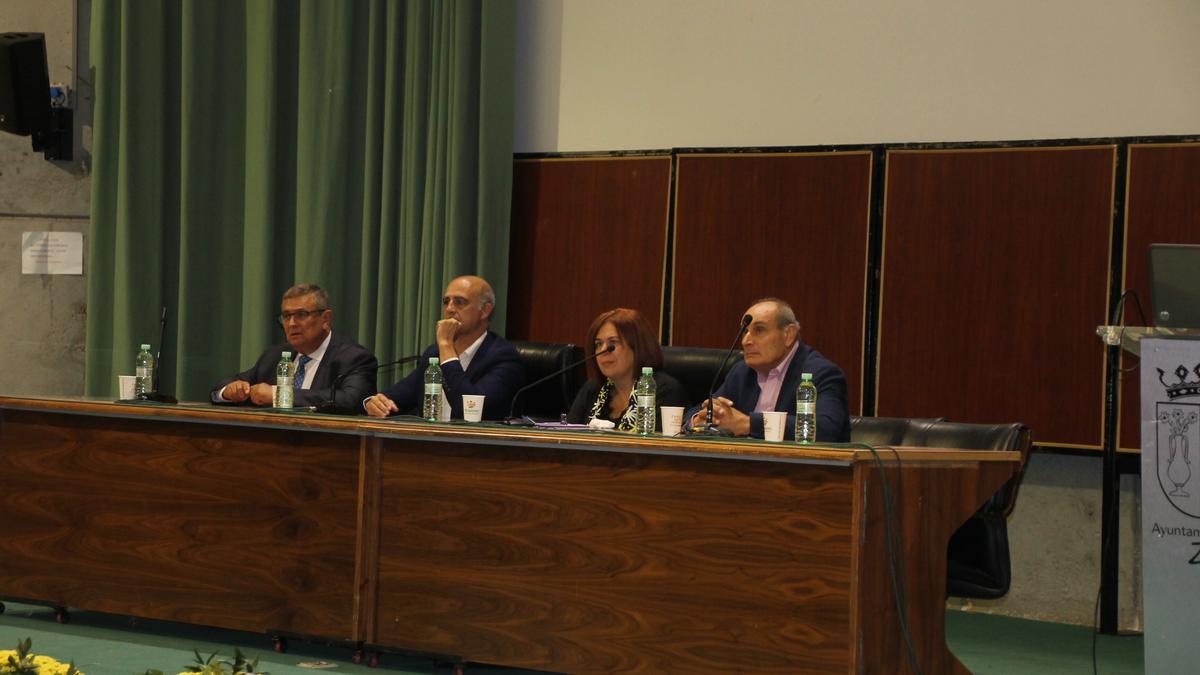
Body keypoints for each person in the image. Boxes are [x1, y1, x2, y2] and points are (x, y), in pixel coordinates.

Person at [687, 298, 850, 442]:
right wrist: (699, 420)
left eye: (759, 330)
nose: (745, 341)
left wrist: (747, 424)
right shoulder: (742, 372)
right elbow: (697, 412)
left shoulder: (821, 373)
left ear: (788, 334)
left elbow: (826, 429)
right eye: (745, 331)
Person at [364, 275, 524, 420]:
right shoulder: (433, 353)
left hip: (477, 448)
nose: (449, 309)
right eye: (446, 302)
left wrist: (446, 346)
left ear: (485, 311)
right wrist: (374, 402)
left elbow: (470, 411)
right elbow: (399, 395)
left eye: (460, 302)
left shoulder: (503, 357)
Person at [211, 283, 378, 413]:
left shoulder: (353, 358)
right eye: (286, 316)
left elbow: (351, 400)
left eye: (301, 315)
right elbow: (222, 387)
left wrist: (279, 395)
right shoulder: (274, 356)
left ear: (326, 319)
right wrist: (229, 391)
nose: (291, 324)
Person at [566, 308, 689, 431]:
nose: (603, 351)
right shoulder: (593, 388)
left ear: (638, 346)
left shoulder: (663, 390)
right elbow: (567, 436)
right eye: (598, 344)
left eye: (612, 343)